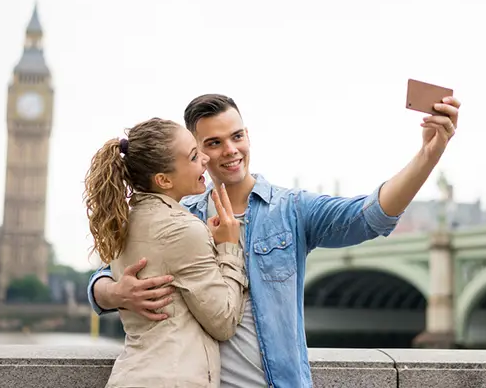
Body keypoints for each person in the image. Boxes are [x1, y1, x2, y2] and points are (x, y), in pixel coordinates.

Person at [87, 94, 462, 388]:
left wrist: (429, 156)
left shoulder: (291, 210)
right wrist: (112, 293)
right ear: (197, 153)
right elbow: (109, 273)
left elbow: (369, 216)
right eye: (213, 143)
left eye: (237, 136)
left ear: (248, 136)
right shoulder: (181, 218)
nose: (231, 150)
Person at [84, 117, 248, 387]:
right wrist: (228, 247)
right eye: (194, 156)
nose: (205, 159)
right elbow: (224, 322)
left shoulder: (122, 222)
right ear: (163, 180)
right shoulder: (182, 229)